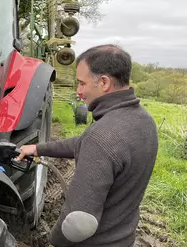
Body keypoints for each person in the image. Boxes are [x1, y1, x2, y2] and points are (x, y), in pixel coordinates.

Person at [17, 44, 158, 247]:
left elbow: (79, 223)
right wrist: (38, 148)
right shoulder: (144, 121)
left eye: (82, 83)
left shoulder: (102, 136)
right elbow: (85, 143)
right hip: (124, 238)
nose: (79, 91)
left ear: (103, 82)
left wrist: (55, 241)